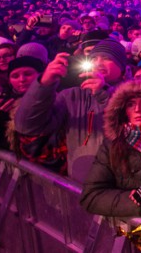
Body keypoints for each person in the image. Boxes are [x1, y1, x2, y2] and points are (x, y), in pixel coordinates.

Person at [14, 39, 128, 181]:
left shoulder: (138, 95)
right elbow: (26, 125)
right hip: (78, 186)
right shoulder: (72, 97)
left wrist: (104, 93)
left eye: (106, 58)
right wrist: (44, 84)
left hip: (121, 188)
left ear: (122, 67)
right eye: (93, 58)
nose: (98, 63)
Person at [80, 80, 141, 218]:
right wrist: (136, 203)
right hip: (128, 232)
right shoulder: (111, 146)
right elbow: (91, 196)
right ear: (123, 111)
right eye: (130, 104)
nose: (137, 109)